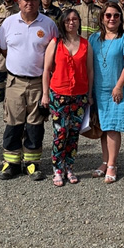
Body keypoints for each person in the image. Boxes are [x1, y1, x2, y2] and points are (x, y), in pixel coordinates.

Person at [0, 0, 59, 180]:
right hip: (15, 81)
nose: (29, 2)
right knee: (13, 123)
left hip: (37, 83)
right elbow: (4, 50)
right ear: (19, 1)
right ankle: (11, 163)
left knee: (35, 124)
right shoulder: (8, 23)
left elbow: (53, 55)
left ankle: (32, 163)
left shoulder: (48, 25)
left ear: (39, 1)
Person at [42, 9, 92, 186]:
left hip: (79, 96)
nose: (72, 22)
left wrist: (90, 94)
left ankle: (69, 168)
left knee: (73, 134)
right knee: (60, 133)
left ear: (79, 22)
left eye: (75, 19)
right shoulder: (55, 43)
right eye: (68, 20)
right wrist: (45, 94)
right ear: (62, 22)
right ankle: (57, 169)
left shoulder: (86, 44)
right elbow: (47, 70)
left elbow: (90, 71)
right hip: (59, 94)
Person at [88, 3, 124, 184]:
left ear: (121, 19)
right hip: (99, 89)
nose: (112, 19)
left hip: (117, 89)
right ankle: (105, 161)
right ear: (102, 18)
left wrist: (118, 86)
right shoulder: (93, 39)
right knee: (103, 127)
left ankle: (113, 165)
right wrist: (89, 91)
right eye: (108, 15)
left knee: (113, 128)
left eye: (116, 15)